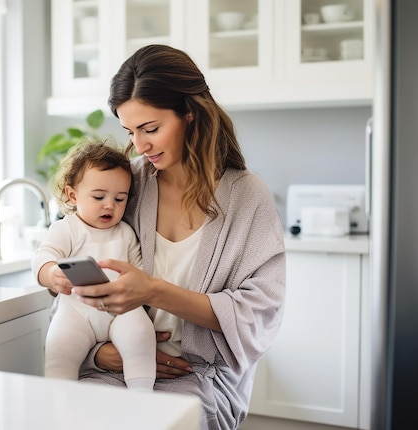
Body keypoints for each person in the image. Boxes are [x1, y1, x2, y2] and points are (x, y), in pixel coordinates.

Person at [48, 44, 286, 430]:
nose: (139, 146)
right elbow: (73, 272)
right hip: (114, 366)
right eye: (129, 131)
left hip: (196, 377)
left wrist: (153, 291)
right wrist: (99, 354)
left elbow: (258, 312)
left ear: (191, 114)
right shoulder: (128, 184)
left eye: (151, 129)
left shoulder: (246, 195)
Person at [31, 139, 156, 392]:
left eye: (120, 199)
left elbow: (140, 271)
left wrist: (135, 286)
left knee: (141, 338)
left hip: (120, 310)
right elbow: (43, 257)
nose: (110, 205)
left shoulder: (125, 232)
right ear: (72, 195)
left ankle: (142, 397)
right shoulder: (67, 228)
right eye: (99, 196)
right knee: (59, 349)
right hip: (76, 310)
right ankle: (58, 403)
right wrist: (52, 274)